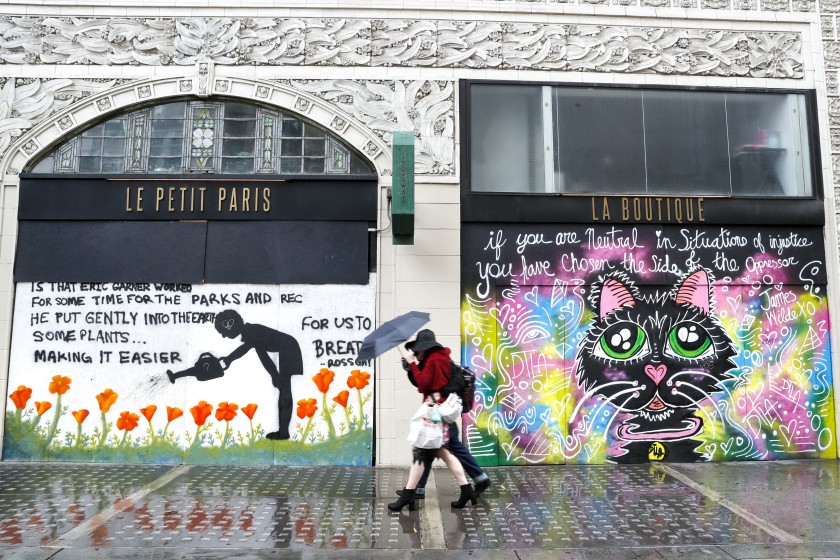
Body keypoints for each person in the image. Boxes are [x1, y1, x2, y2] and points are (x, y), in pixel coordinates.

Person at [387, 329, 481, 512]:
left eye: (417, 351)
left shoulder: (435, 360)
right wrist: (412, 366)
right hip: (436, 412)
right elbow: (425, 382)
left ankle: (409, 495)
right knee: (441, 454)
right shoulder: (439, 358)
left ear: (425, 348)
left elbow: (424, 385)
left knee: (421, 453)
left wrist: (412, 364)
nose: (416, 354)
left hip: (435, 413)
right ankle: (466, 490)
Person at [214, 309, 303, 440]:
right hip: (288, 347)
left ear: (231, 324)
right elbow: (254, 351)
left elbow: (259, 354)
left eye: (223, 331)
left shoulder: (252, 332)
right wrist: (274, 374)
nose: (224, 336)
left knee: (285, 391)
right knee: (284, 390)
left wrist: (274, 374)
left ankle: (283, 433)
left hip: (289, 348)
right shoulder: (251, 331)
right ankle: (283, 431)